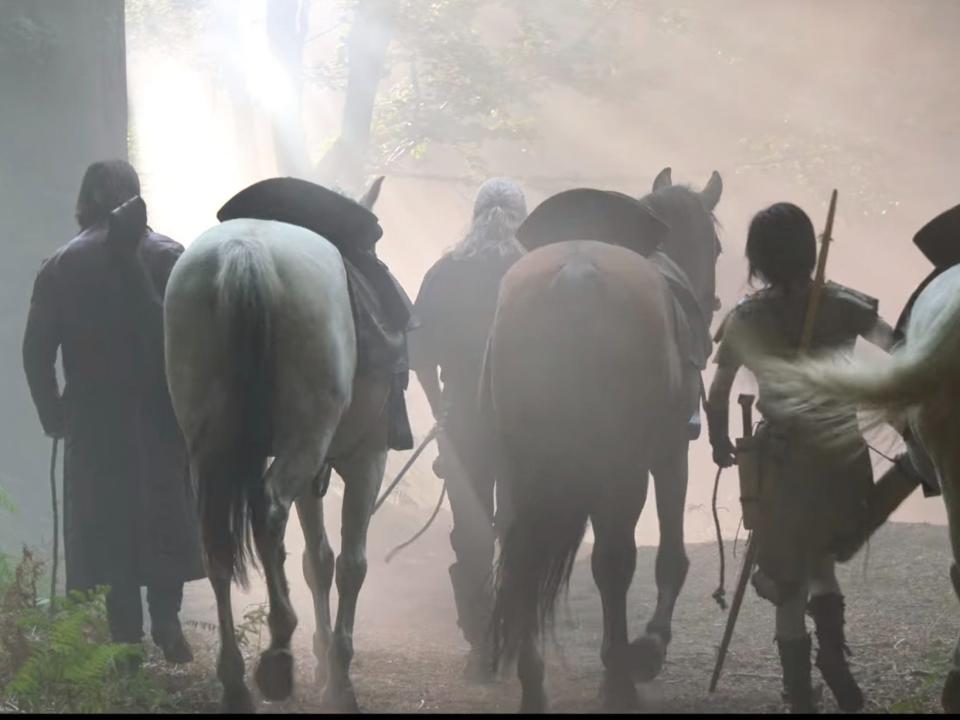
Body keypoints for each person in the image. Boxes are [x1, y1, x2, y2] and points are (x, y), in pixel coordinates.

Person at [706, 202, 896, 713]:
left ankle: (798, 697)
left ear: (759, 259)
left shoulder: (746, 317)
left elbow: (718, 391)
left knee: (787, 583)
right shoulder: (845, 304)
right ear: (810, 252)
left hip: (782, 465)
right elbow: (899, 346)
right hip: (842, 458)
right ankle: (833, 660)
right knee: (820, 565)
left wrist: (720, 443)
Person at [22, 160, 205, 664]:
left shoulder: (60, 264)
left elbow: (35, 352)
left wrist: (53, 414)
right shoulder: (171, 255)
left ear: (86, 200)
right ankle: (166, 621)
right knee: (163, 514)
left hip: (93, 418)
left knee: (109, 525)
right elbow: (193, 342)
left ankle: (125, 641)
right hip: (161, 415)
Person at [408, 178, 527, 681]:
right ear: (521, 216)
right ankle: (521, 637)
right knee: (521, 531)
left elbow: (418, 354)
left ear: (475, 214)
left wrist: (441, 409)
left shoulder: (444, 272)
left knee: (471, 536)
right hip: (527, 422)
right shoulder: (533, 271)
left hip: (466, 426)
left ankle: (481, 644)